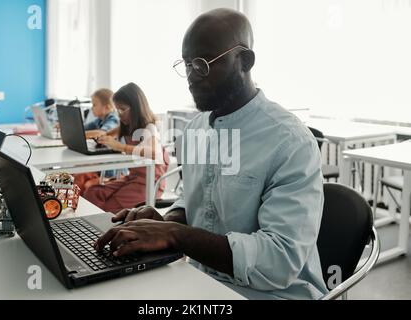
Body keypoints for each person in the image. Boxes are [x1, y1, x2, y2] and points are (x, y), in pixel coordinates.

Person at [94, 9, 328, 300]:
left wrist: (174, 235)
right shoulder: (195, 129)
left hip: (272, 294)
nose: (191, 77)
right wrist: (165, 222)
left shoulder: (290, 141)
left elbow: (279, 261)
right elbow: (193, 199)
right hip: (201, 279)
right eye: (187, 63)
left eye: (202, 64)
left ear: (244, 61)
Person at [83, 82, 169, 212]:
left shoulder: (149, 127)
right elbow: (105, 133)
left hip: (149, 183)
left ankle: (104, 229)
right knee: (93, 193)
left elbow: (153, 153)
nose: (119, 114)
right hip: (132, 178)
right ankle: (88, 230)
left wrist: (120, 146)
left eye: (122, 110)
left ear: (136, 108)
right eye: (117, 110)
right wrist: (102, 138)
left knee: (109, 207)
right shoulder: (127, 126)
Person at [74, 88, 122, 194]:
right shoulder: (100, 119)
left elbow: (101, 133)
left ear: (107, 107)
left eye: (94, 105)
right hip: (101, 166)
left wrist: (78, 135)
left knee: (79, 177)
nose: (92, 108)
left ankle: (76, 204)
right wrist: (68, 126)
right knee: (74, 173)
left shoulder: (113, 119)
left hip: (111, 172)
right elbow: (82, 127)